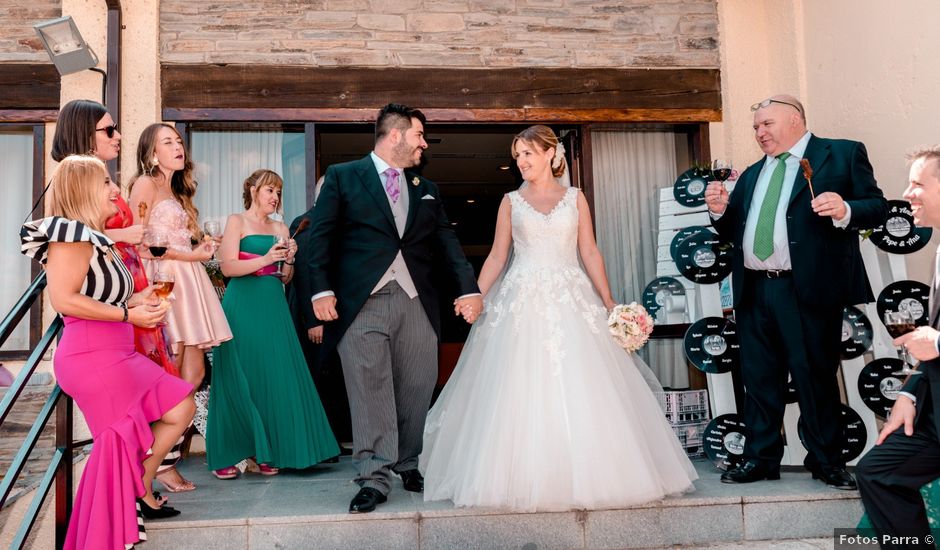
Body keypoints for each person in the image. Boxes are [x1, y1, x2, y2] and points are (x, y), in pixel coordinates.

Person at [418, 125, 698, 511]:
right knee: (519, 385)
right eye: (517, 156)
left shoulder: (575, 198)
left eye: (528, 154)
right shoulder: (510, 202)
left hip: (572, 296)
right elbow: (498, 256)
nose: (521, 162)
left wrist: (608, 299)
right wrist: (475, 295)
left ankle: (595, 474)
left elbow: (590, 252)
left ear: (551, 154)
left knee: (584, 383)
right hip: (522, 300)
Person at [306, 103, 483, 513]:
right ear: (397, 135)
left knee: (417, 386)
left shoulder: (426, 186)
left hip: (417, 302)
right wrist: (320, 292)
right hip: (360, 303)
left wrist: (469, 289)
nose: (424, 144)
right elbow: (322, 238)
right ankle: (373, 475)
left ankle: (407, 462)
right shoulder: (343, 176)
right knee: (370, 390)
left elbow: (447, 245)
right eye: (419, 135)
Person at [704, 94, 888, 487]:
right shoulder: (753, 173)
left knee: (815, 378)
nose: (759, 132)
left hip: (808, 289)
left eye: (766, 124)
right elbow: (735, 230)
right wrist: (720, 211)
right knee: (759, 381)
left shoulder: (840, 154)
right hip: (755, 290)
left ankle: (826, 462)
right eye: (756, 127)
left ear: (795, 119)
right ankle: (761, 459)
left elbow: (877, 207)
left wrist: (845, 209)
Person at [21, 155, 194, 549]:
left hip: (116, 353)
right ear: (83, 189)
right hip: (92, 356)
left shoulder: (94, 238)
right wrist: (126, 314)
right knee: (114, 447)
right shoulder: (72, 237)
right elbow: (64, 300)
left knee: (180, 406)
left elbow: (100, 292)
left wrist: (139, 296)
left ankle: (137, 485)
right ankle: (103, 537)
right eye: (105, 182)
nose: (115, 190)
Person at [51, 99, 194, 494]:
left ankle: (144, 480)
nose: (118, 136)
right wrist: (119, 237)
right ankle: (135, 490)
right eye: (109, 130)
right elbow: (62, 239)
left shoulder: (103, 180)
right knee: (137, 414)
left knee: (171, 395)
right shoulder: (73, 180)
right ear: (85, 134)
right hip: (104, 315)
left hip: (128, 289)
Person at [206, 169, 339, 479]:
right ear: (253, 190)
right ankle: (231, 451)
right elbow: (227, 267)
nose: (275, 197)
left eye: (278, 192)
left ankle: (268, 451)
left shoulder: (281, 226)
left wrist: (289, 259)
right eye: (269, 190)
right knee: (238, 376)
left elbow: (285, 278)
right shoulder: (236, 221)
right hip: (241, 304)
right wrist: (265, 259)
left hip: (272, 304)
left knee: (273, 375)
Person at [856, 146, 940, 549]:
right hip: (933, 413)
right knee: (876, 472)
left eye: (918, 183)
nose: (907, 193)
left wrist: (938, 342)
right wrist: (909, 390)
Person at [128, 123, 232, 392]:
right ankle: (160, 430)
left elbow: (179, 240)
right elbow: (137, 245)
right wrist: (189, 256)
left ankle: (174, 429)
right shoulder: (145, 184)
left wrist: (203, 250)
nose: (177, 147)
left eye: (178, 142)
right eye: (167, 142)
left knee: (195, 374)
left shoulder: (177, 191)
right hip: (165, 279)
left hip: (189, 279)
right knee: (170, 365)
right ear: (152, 153)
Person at [287, 176, 353, 445]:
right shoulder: (307, 223)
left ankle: (334, 439)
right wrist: (313, 320)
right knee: (318, 379)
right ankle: (321, 441)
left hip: (338, 316)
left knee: (335, 378)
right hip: (314, 318)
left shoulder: (339, 224)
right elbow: (303, 271)